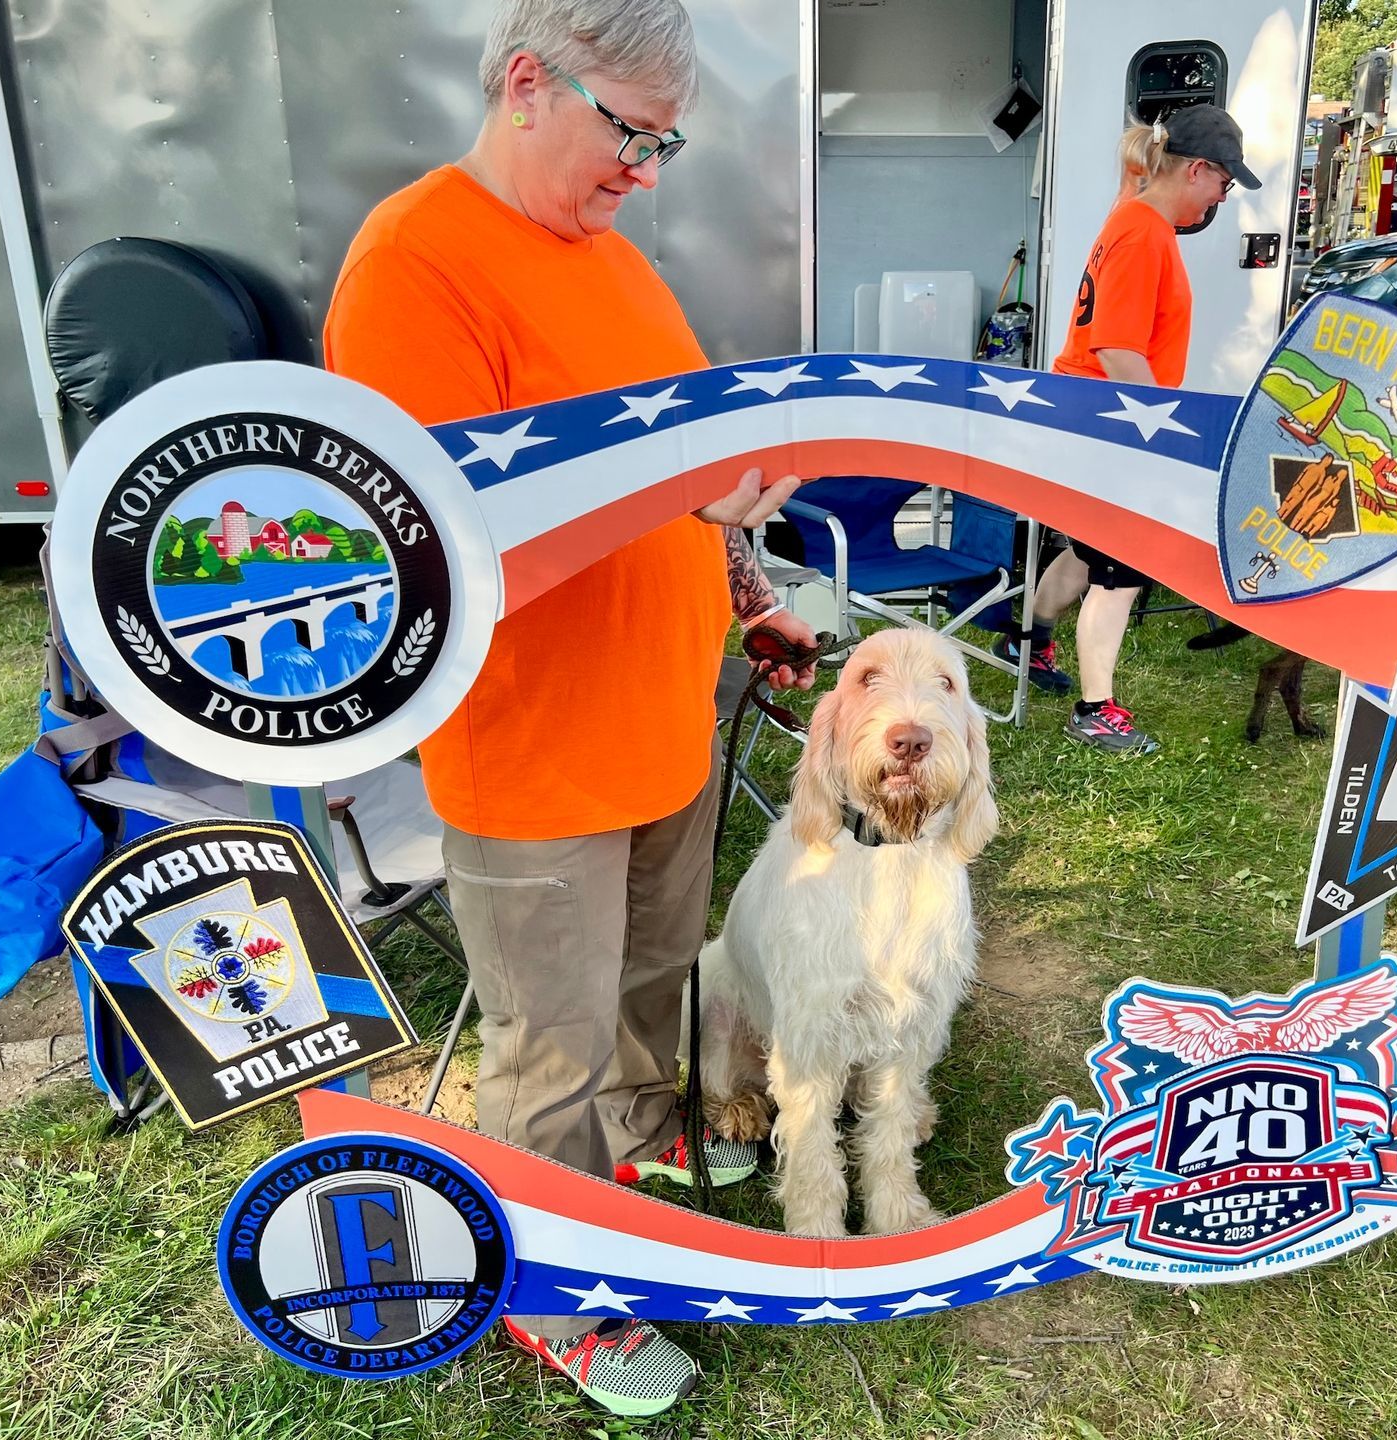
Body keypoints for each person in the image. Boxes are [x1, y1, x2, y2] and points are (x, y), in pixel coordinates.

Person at [324, 0, 816, 1417]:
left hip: (665, 715)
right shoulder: (415, 262)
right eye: (634, 136)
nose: (645, 175)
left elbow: (693, 461)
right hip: (535, 751)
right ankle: (554, 1292)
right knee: (548, 1042)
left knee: (651, 983)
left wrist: (745, 590)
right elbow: (440, 550)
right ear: (529, 83)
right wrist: (681, 496)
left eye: (665, 146)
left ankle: (644, 1144)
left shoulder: (611, 257)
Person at [993, 104, 1259, 754]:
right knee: (1121, 569)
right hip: (1110, 423)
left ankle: (1027, 639)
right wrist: (1160, 432)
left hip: (1089, 416)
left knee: (1088, 551)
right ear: (1196, 169)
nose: (1223, 196)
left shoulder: (1135, 216)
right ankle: (1095, 710)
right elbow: (1116, 349)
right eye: (1224, 182)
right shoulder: (1144, 233)